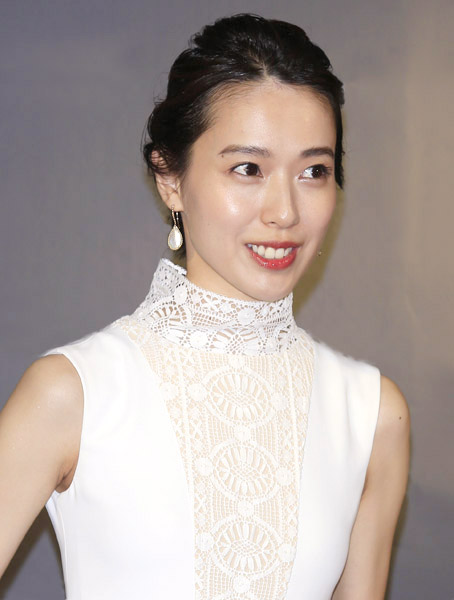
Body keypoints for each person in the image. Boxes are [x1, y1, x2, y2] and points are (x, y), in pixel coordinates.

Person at [0, 13, 410, 600]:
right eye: (248, 168)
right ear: (170, 178)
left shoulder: (370, 413)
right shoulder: (75, 392)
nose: (285, 211)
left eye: (314, 171)